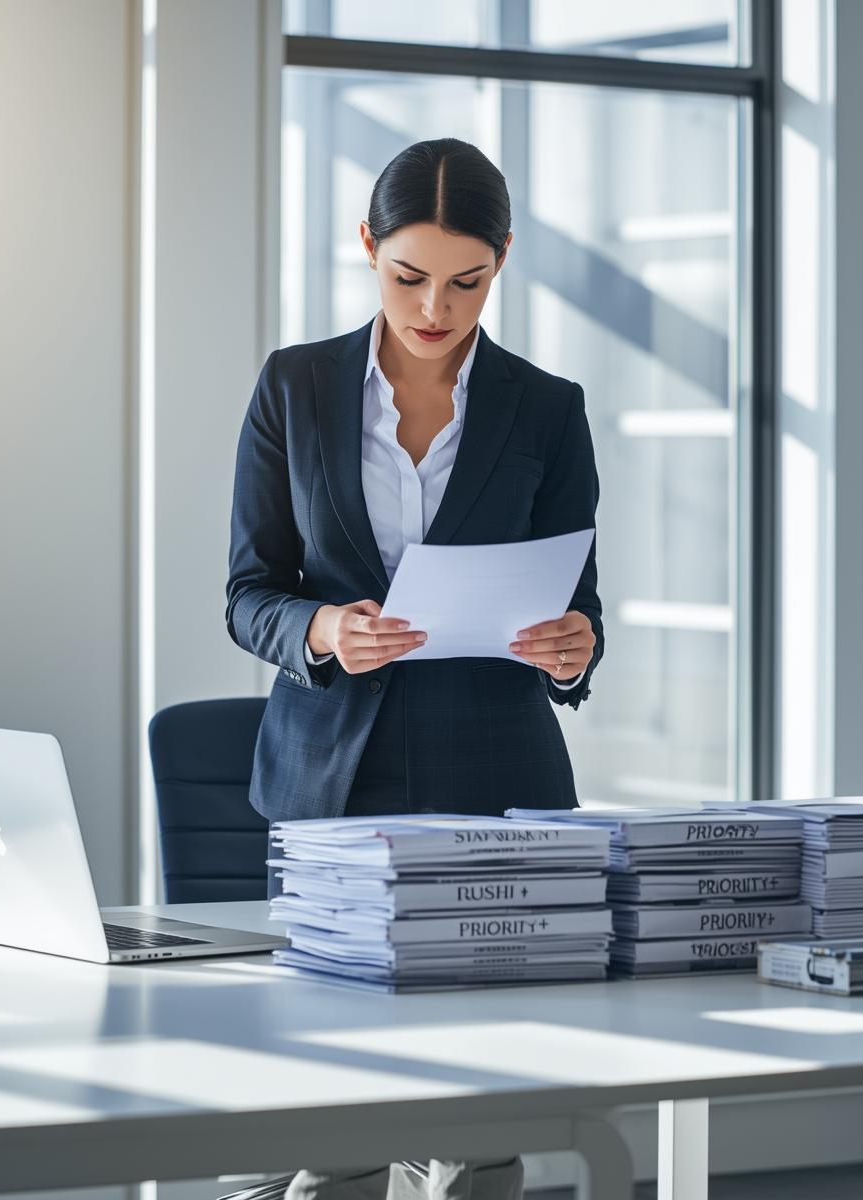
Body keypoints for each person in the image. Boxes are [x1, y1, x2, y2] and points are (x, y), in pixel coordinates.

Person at [225, 138, 603, 1200]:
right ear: (367, 248)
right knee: (333, 1116)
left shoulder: (545, 406)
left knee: (477, 1124)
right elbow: (250, 591)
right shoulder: (295, 387)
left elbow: (582, 609)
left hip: (495, 782)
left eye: (467, 281)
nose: (436, 306)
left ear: (504, 261)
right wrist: (322, 631)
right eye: (409, 275)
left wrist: (572, 649)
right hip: (331, 788)